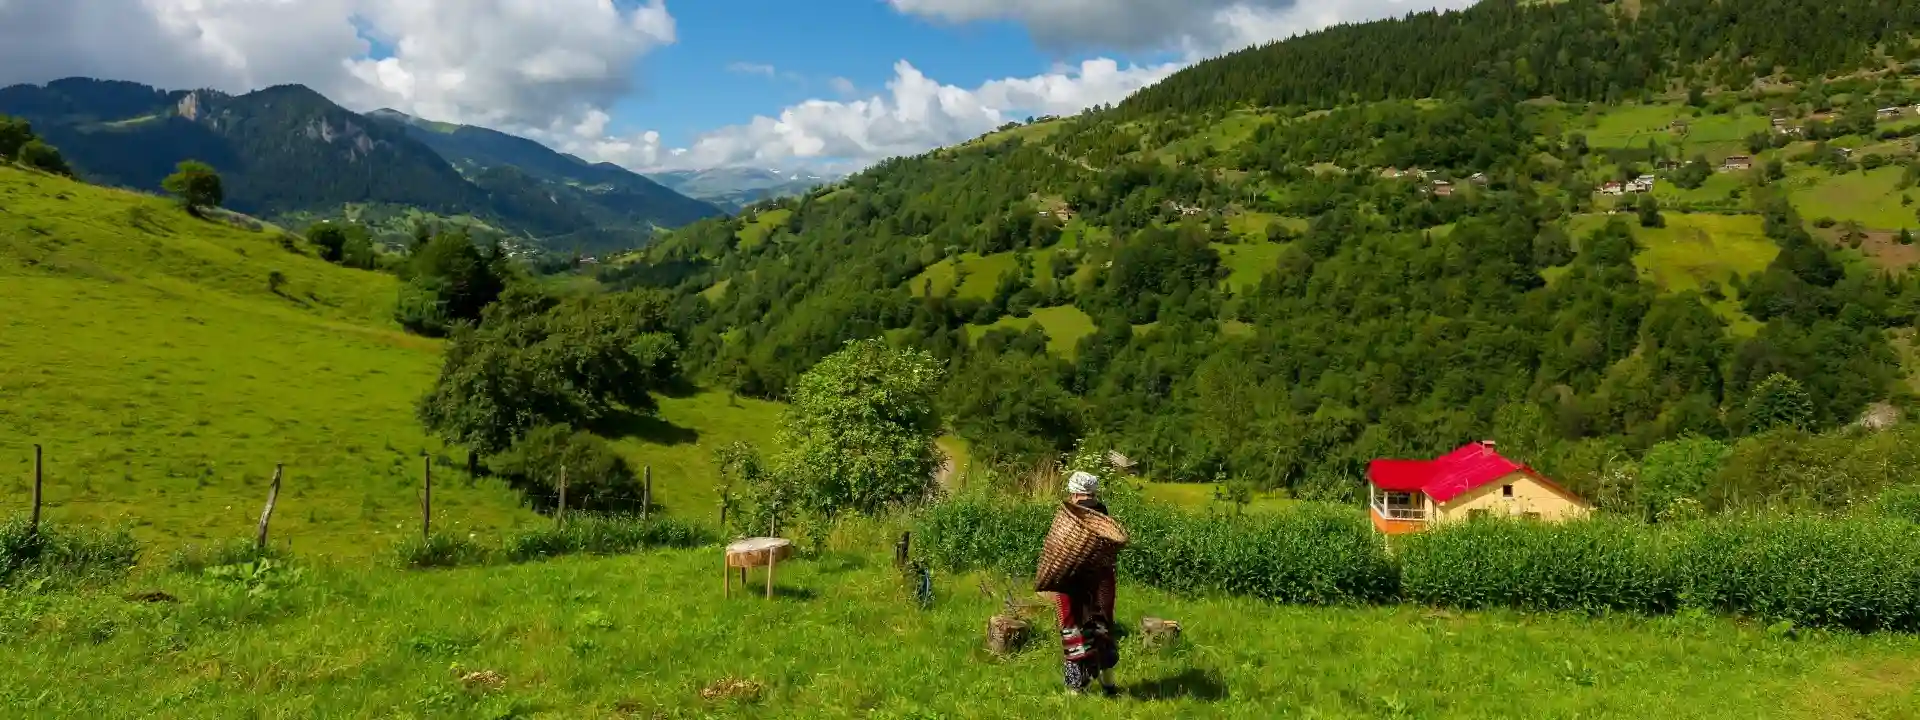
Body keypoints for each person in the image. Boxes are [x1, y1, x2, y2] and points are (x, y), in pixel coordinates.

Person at [1056, 470, 1119, 695]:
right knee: (1101, 628)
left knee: (1073, 629)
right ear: (1093, 492)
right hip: (1101, 582)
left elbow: (1058, 551)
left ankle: (1075, 690)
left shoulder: (1069, 515)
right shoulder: (1105, 517)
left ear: (1074, 493)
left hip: (1073, 580)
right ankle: (1109, 684)